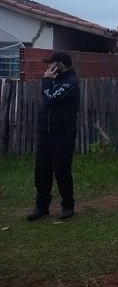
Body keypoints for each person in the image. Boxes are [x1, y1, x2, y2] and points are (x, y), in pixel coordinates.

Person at [27, 51, 80, 221]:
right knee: (42, 172)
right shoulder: (55, 82)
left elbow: (50, 97)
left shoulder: (70, 83)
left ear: (60, 65)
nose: (48, 67)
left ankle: (68, 205)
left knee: (62, 171)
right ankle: (41, 207)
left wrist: (47, 80)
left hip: (62, 134)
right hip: (45, 134)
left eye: (51, 64)